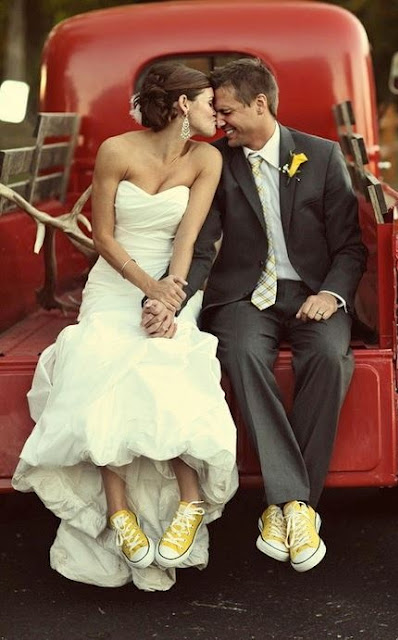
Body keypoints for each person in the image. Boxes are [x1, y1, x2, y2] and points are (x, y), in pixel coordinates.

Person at [12, 61, 238, 592]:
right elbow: (105, 238)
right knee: (101, 364)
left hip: (171, 285)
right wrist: (146, 287)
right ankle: (119, 514)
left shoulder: (206, 159)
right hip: (116, 284)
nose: (219, 113)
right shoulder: (116, 150)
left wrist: (171, 296)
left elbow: (188, 238)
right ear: (183, 104)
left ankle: (189, 503)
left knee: (167, 360)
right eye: (210, 103)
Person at [143, 58, 367, 573]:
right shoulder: (218, 161)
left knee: (330, 357)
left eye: (227, 111)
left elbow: (350, 247)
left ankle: (286, 506)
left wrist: (331, 294)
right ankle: (297, 506)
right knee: (241, 351)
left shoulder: (321, 155)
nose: (220, 122)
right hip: (244, 296)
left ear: (260, 104)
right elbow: (202, 244)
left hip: (313, 291)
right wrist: (168, 295)